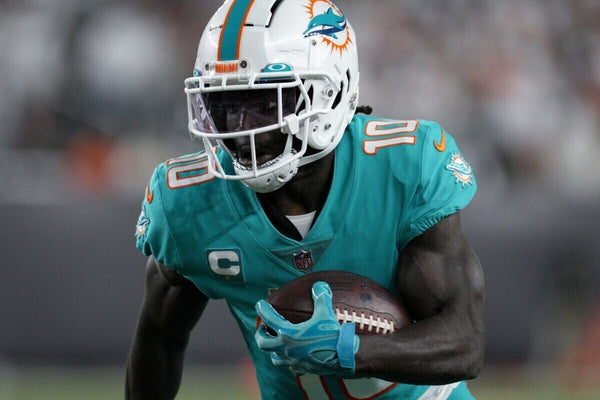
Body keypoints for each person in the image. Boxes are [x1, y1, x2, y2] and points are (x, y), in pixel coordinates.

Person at [125, 0, 485, 399]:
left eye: (265, 104)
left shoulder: (405, 168)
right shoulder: (189, 204)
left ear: (329, 94)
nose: (241, 130)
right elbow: (159, 335)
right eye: (225, 106)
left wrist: (350, 349)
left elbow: (464, 341)